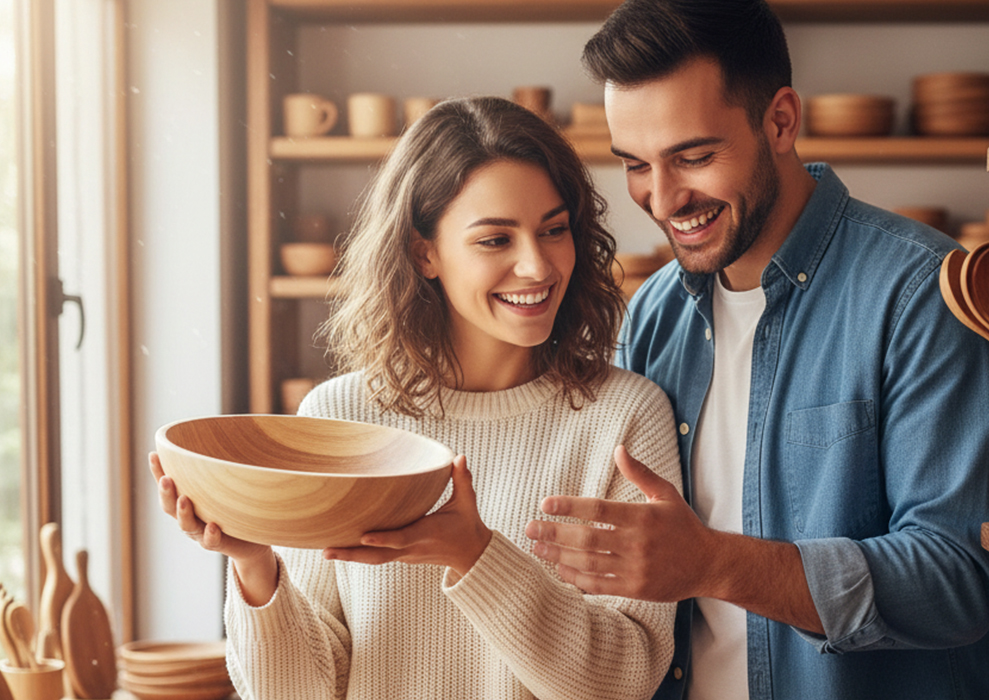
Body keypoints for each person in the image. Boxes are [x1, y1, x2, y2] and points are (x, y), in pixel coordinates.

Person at [524, 2, 989, 698]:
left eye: (693, 157)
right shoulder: (656, 313)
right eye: (635, 164)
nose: (662, 199)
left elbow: (955, 583)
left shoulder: (922, 293)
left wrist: (716, 563)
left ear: (781, 120)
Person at [149, 96, 682, 700]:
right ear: (423, 252)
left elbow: (624, 681)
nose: (536, 265)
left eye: (553, 230)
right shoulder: (340, 417)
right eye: (494, 240)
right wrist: (254, 565)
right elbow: (295, 692)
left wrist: (475, 555)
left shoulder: (626, 418)